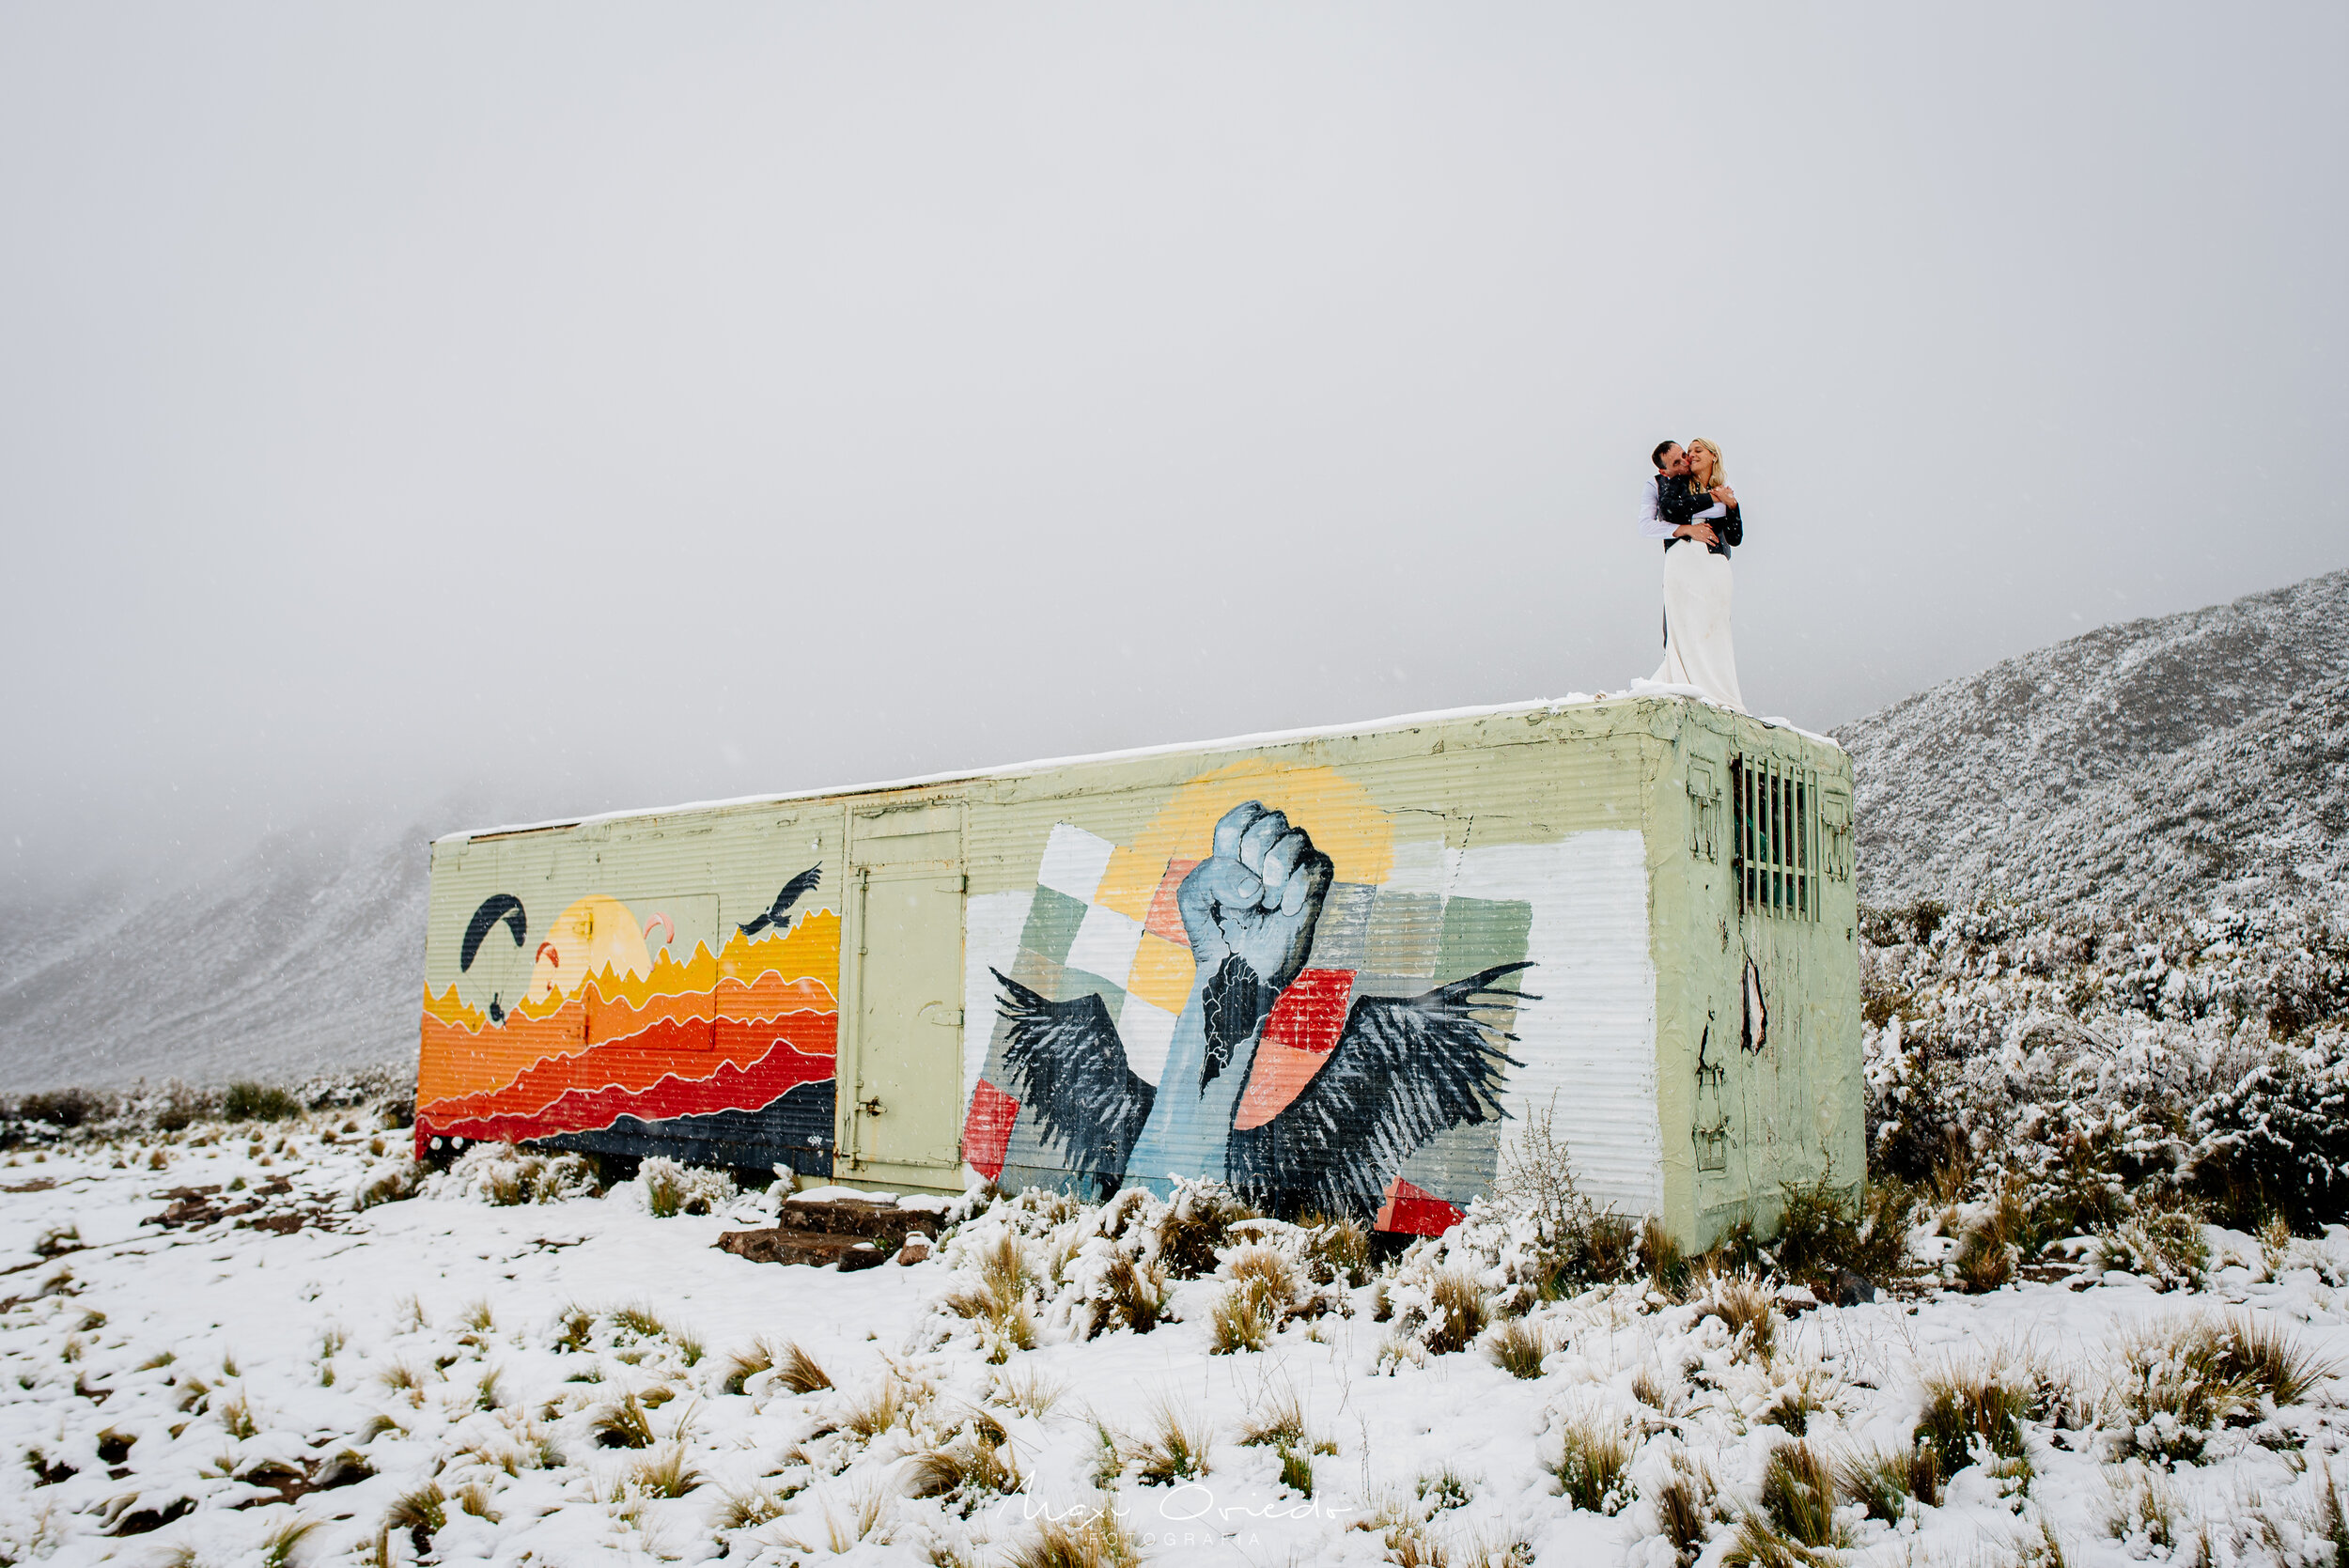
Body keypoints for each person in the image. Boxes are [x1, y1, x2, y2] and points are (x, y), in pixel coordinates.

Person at [1639, 438, 1747, 712]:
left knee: (1714, 627)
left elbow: (1735, 537)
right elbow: (1669, 511)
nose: (1688, 459)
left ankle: (1719, 690)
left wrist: (1732, 507)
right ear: (1666, 470)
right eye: (1681, 458)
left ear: (1714, 456)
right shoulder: (1671, 483)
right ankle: (1686, 683)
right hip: (1683, 562)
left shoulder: (1722, 487)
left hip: (1713, 566)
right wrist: (1694, 521)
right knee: (1682, 625)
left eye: (1692, 452)